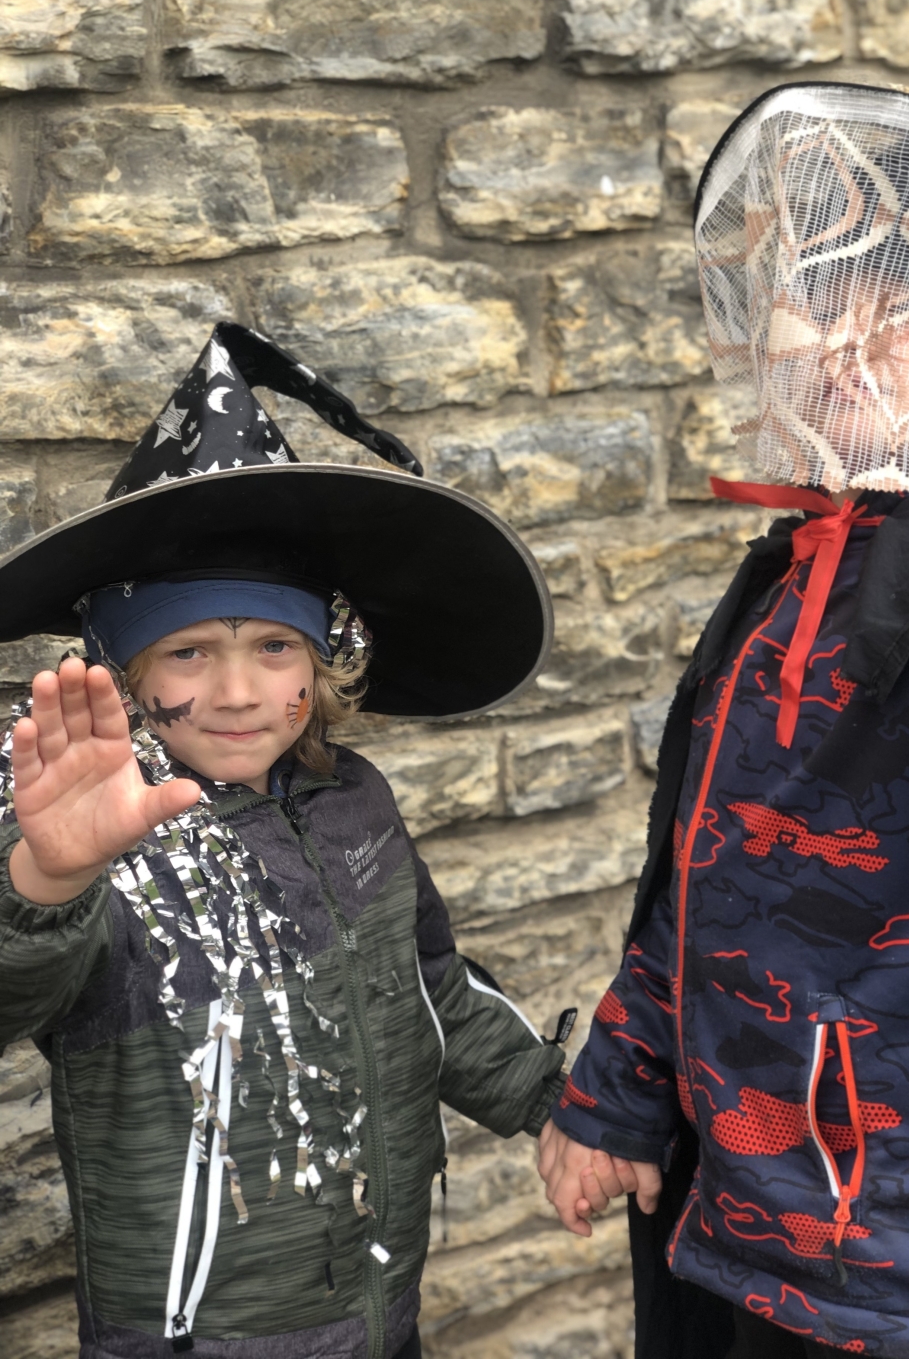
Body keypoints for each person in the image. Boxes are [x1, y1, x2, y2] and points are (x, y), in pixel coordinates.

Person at [538, 0, 909, 1359]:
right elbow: (714, 870)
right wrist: (617, 1091)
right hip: (758, 1246)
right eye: (818, 296)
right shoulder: (814, 560)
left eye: (905, 313)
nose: (826, 340)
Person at [0, 323, 567, 1359]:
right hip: (196, 1335)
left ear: (322, 660)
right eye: (186, 652)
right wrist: (51, 874)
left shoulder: (357, 802)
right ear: (124, 674)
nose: (236, 692)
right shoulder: (90, 843)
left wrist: (561, 1108)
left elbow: (432, 991)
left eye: (272, 646)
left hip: (381, 1306)